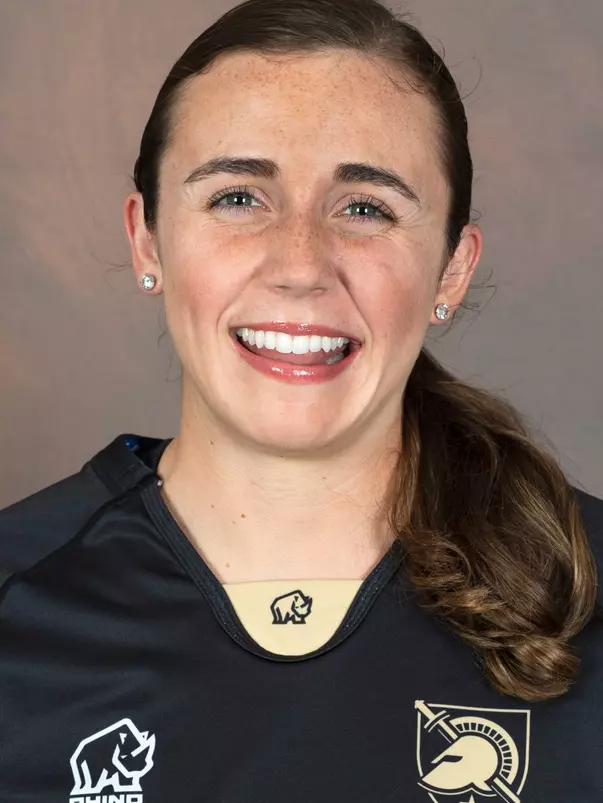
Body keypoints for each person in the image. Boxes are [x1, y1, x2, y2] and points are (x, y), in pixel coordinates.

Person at [1, 0, 602, 800]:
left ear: (451, 270)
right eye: (237, 197)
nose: (299, 266)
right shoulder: (18, 598)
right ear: (147, 237)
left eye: (365, 208)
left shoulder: (586, 589)